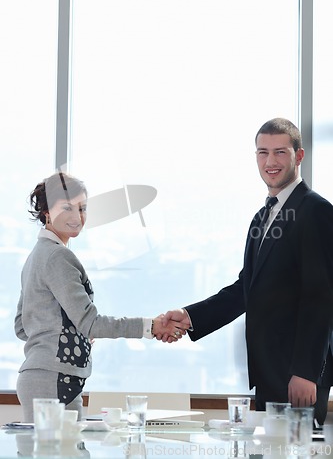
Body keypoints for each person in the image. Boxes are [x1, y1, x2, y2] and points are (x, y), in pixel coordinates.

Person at [162, 118, 333, 424]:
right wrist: (191, 317)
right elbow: (247, 288)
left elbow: (320, 296)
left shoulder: (316, 211)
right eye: (262, 152)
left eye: (280, 152)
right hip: (268, 370)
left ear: (299, 156)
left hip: (298, 375)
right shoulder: (262, 217)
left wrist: (306, 372)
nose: (270, 162)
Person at [15, 172, 187, 422]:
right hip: (54, 378)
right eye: (67, 208)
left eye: (82, 208)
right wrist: (150, 326)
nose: (77, 217)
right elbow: (91, 323)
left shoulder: (36, 256)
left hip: (45, 377)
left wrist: (72, 333)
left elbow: (22, 326)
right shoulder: (57, 257)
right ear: (46, 212)